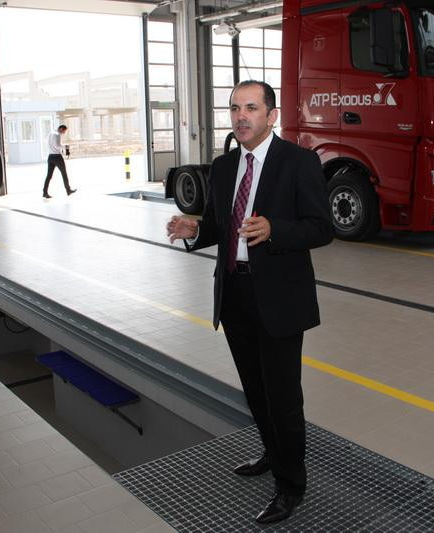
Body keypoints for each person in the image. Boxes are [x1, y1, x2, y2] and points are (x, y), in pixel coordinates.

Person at [166, 80, 334, 524]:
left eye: (252, 108)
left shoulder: (298, 162)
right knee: (255, 390)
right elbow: (221, 226)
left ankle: (291, 485)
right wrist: (195, 230)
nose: (241, 116)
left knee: (283, 397)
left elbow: (321, 228)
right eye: (235, 108)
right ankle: (271, 453)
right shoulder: (224, 167)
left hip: (278, 298)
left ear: (271, 116)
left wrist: (276, 230)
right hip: (234, 293)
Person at [42, 124, 76, 198]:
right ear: (61, 129)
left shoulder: (51, 133)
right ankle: (68, 190)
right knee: (64, 173)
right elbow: (57, 146)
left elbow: (52, 144)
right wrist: (65, 146)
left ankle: (44, 192)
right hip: (57, 157)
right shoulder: (57, 134)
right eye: (64, 131)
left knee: (49, 176)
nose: (63, 133)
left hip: (50, 156)